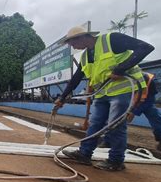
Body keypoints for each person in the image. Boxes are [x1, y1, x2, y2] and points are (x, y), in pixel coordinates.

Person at [54, 25, 154, 171]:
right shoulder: (86, 55)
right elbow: (76, 78)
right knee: (94, 124)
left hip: (122, 90)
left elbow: (146, 47)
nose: (73, 47)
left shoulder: (112, 40)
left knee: (115, 126)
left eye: (73, 43)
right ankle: (84, 154)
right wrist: (62, 98)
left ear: (82, 37)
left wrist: (121, 68)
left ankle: (116, 161)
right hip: (102, 94)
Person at [100, 72, 161, 155]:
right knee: (114, 117)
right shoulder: (122, 79)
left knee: (155, 116)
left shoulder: (151, 81)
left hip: (146, 101)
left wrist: (133, 112)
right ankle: (108, 140)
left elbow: (148, 101)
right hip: (127, 99)